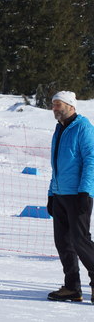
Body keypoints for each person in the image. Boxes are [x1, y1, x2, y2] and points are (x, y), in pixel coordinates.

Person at [46, 91, 94, 303]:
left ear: (71, 106)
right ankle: (72, 287)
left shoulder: (83, 127)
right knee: (63, 242)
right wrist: (51, 194)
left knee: (80, 240)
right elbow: (56, 166)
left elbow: (91, 160)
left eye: (58, 104)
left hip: (77, 194)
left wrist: (85, 191)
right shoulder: (59, 129)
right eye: (53, 104)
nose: (54, 108)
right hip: (60, 194)